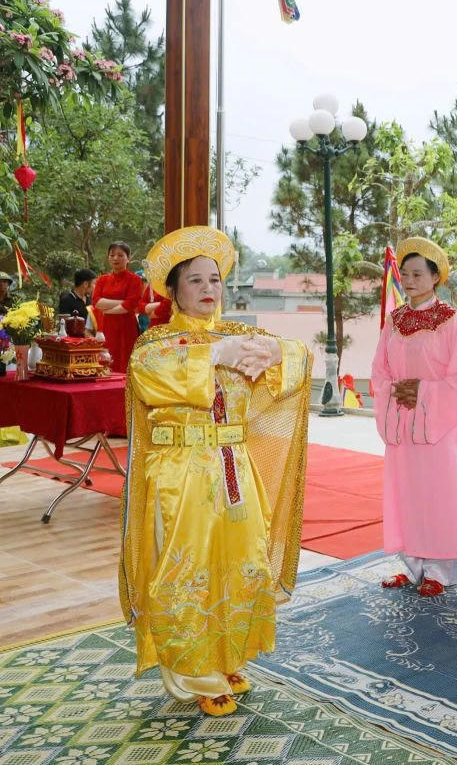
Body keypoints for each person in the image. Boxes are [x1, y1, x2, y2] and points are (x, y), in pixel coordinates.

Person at [120, 226, 311, 717]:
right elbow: (150, 373)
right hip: (181, 473)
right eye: (195, 281)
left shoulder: (239, 335)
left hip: (234, 468)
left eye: (215, 280)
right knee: (186, 567)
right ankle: (195, 674)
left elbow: (298, 356)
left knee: (240, 561)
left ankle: (227, 658)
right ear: (174, 290)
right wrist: (214, 355)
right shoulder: (156, 344)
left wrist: (278, 353)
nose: (208, 289)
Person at [372, 237, 457, 596]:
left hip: (440, 426)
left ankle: (440, 570)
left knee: (439, 496)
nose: (409, 280)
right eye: (405, 274)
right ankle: (411, 565)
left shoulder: (449, 320)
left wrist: (423, 392)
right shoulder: (395, 320)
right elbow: (379, 370)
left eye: (418, 274)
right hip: (403, 421)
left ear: (436, 277)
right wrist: (394, 391)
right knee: (407, 494)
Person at [92, 241, 144, 372]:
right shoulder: (102, 279)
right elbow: (96, 302)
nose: (115, 258)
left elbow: (131, 305)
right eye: (112, 255)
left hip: (126, 327)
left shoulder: (135, 279)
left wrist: (107, 309)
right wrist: (122, 301)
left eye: (120, 255)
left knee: (125, 364)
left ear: (128, 258)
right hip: (106, 327)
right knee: (105, 362)